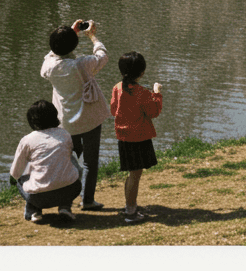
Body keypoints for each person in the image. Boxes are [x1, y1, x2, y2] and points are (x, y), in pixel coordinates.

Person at [40, 19, 111, 211]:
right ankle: (87, 200)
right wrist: (92, 36)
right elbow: (102, 56)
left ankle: (65, 203)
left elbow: (52, 54)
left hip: (65, 122)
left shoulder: (50, 67)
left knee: (66, 162)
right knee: (90, 162)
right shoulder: (83, 64)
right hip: (89, 120)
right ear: (74, 46)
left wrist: (71, 35)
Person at [110, 51, 163, 223]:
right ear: (142, 72)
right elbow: (154, 112)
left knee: (132, 173)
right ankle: (131, 212)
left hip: (123, 137)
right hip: (138, 137)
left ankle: (129, 205)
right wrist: (157, 94)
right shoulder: (142, 92)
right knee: (135, 175)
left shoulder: (117, 88)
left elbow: (113, 110)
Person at [9, 100, 82, 223]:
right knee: (70, 164)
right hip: (71, 190)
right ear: (55, 116)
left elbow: (15, 173)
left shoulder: (28, 140)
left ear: (32, 120)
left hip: (39, 197)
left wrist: (14, 179)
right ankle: (65, 208)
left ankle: (33, 211)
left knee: (21, 179)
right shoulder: (65, 134)